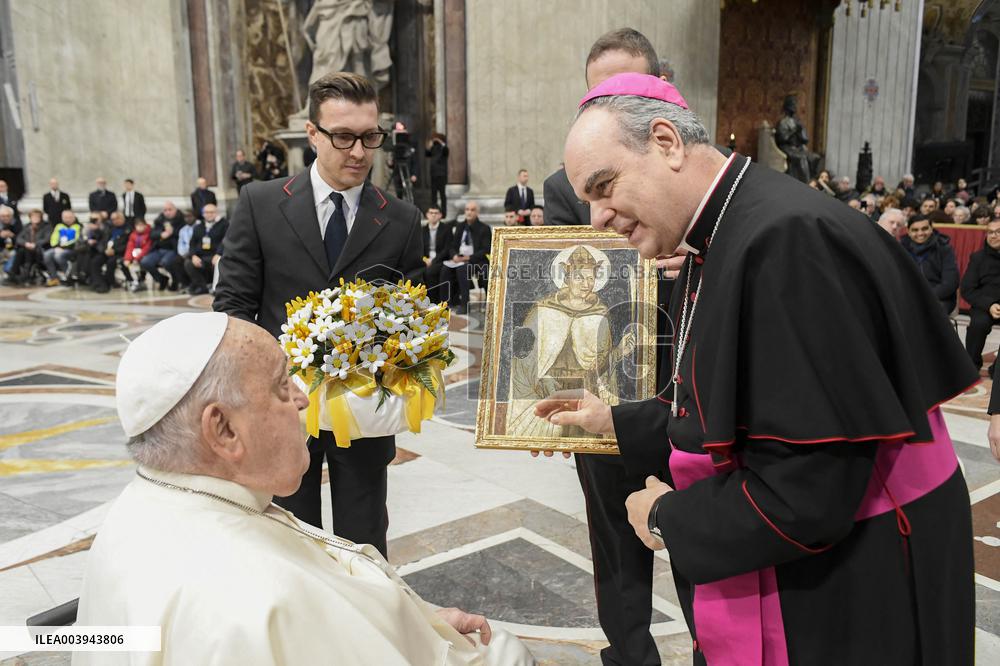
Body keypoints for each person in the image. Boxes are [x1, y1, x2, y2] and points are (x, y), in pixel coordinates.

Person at [536, 72, 978, 665]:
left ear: (666, 141)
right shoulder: (714, 237)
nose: (596, 218)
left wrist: (667, 518)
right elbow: (733, 414)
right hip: (824, 565)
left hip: (856, 583)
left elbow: (808, 493)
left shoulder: (786, 241)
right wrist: (610, 420)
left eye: (605, 185)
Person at [73, 312, 535, 666]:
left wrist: (420, 622)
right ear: (224, 430)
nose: (301, 398)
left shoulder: (147, 502)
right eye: (280, 385)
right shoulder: (267, 598)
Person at [214, 72, 424, 558]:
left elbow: (415, 317)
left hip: (363, 413)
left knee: (364, 535)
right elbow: (234, 307)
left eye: (371, 137)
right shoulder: (261, 204)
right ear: (313, 134)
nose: (358, 152)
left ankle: (366, 625)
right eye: (343, 137)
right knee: (289, 535)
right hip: (280, 405)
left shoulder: (401, 219)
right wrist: (260, 387)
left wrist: (392, 376)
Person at [961, 218, 1000, 372]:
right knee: (978, 324)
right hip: (984, 305)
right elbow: (967, 289)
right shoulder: (978, 258)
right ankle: (971, 366)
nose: (993, 236)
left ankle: (997, 369)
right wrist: (990, 305)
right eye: (990, 232)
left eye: (998, 232)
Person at [900, 214, 959, 313]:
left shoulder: (944, 248)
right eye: (915, 230)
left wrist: (925, 296)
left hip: (940, 297)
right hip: (909, 296)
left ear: (931, 229)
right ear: (908, 232)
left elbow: (950, 283)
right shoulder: (900, 249)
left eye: (925, 229)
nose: (920, 233)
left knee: (929, 315)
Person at [440, 201, 491, 316]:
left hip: (476, 260)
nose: (469, 212)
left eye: (472, 210)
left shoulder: (484, 228)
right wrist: (454, 256)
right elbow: (453, 245)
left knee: (462, 269)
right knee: (445, 269)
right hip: (460, 259)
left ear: (477, 212)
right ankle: (446, 303)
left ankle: (465, 304)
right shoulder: (460, 226)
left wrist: (469, 258)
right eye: (467, 209)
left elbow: (486, 249)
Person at [184, 204, 227, 295]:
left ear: (216, 213)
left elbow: (226, 240)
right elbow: (192, 243)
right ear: (203, 214)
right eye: (206, 212)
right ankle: (202, 287)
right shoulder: (199, 226)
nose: (209, 214)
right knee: (188, 263)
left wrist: (219, 253)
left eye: (211, 212)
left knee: (219, 263)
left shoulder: (224, 224)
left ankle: (217, 288)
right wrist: (193, 256)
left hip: (216, 254)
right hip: (202, 255)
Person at [142, 202, 183, 290]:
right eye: (165, 210)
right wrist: (161, 234)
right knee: (145, 262)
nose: (167, 212)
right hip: (159, 248)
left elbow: (184, 235)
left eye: (170, 210)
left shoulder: (181, 220)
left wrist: (172, 233)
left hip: (173, 249)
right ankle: (161, 279)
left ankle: (175, 280)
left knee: (166, 262)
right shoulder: (159, 220)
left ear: (175, 210)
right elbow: (152, 234)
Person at [89, 212, 131, 294]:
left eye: (117, 218)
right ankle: (100, 283)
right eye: (113, 219)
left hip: (119, 253)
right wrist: (104, 250)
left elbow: (128, 244)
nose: (115, 221)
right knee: (95, 262)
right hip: (106, 251)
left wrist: (115, 251)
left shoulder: (128, 229)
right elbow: (103, 241)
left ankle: (110, 282)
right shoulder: (109, 228)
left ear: (122, 218)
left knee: (111, 262)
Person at [422, 205, 452, 303]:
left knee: (430, 272)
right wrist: (426, 260)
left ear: (440, 215)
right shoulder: (422, 230)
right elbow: (419, 248)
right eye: (431, 213)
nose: (433, 215)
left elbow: (447, 249)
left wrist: (433, 261)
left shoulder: (446, 229)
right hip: (426, 260)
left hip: (441, 260)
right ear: (427, 215)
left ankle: (433, 301)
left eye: (436, 213)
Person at [43, 210, 82, 286]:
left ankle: (68, 276)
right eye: (65, 217)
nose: (67, 219)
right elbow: (54, 238)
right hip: (58, 247)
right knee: (47, 254)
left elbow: (77, 240)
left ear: (74, 217)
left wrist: (63, 247)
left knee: (59, 256)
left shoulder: (78, 226)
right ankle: (54, 278)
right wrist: (57, 246)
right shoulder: (59, 226)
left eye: (69, 217)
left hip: (72, 249)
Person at [124, 218, 153, 292]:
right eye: (138, 225)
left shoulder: (149, 234)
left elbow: (147, 248)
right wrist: (127, 258)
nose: (139, 227)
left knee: (143, 262)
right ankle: (132, 280)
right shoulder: (133, 235)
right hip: (134, 254)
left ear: (145, 225)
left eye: (141, 225)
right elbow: (130, 247)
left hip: (145, 254)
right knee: (124, 263)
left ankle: (141, 280)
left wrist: (137, 258)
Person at [426, 132, 449, 214]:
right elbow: (427, 154)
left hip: (441, 174)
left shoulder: (443, 148)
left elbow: (446, 152)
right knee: (433, 195)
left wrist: (441, 142)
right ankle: (434, 211)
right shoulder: (433, 148)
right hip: (433, 174)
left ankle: (444, 212)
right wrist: (430, 145)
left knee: (442, 194)